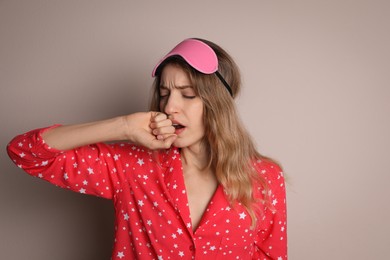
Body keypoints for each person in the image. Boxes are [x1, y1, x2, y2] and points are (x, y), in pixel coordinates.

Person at [7, 38, 287, 259]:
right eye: (164, 94)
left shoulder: (265, 177)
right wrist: (125, 126)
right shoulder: (132, 167)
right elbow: (27, 152)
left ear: (218, 105)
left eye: (187, 94)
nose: (169, 107)